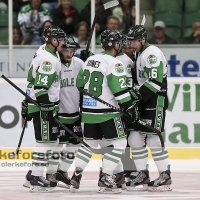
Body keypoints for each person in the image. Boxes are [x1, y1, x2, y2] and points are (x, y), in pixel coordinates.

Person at [69, 30, 139, 194]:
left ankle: (76, 176)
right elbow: (120, 91)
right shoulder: (115, 63)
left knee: (89, 144)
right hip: (108, 112)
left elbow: (79, 83)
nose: (122, 45)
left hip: (87, 111)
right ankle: (106, 177)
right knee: (120, 143)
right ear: (115, 45)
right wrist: (129, 107)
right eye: (120, 42)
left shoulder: (90, 60)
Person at [125, 25, 172, 192]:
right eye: (129, 40)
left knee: (152, 137)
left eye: (134, 40)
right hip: (145, 101)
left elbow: (155, 81)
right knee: (134, 138)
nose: (131, 43)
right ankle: (142, 173)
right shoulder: (139, 52)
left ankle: (164, 175)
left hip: (155, 100)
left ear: (143, 39)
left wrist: (135, 97)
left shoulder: (152, 53)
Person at [21, 26, 66, 192]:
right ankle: (36, 177)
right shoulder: (49, 59)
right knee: (45, 142)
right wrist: (46, 106)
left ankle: (31, 175)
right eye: (61, 39)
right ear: (53, 41)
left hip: (41, 103)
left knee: (52, 142)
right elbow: (40, 87)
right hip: (42, 105)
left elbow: (32, 80)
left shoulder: (44, 50)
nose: (63, 42)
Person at [45, 36, 84, 189]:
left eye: (71, 50)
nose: (69, 54)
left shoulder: (79, 64)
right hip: (59, 113)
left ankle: (61, 171)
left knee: (75, 145)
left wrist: (90, 58)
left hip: (74, 113)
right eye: (65, 50)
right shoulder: (54, 64)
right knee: (55, 146)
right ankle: (50, 174)